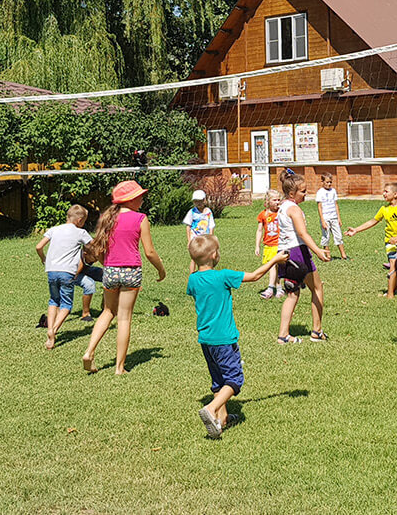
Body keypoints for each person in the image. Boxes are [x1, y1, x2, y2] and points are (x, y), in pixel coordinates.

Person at [187, 234, 288, 438]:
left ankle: (221, 420)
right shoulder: (223, 276)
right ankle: (212, 408)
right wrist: (275, 260)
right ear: (215, 255)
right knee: (234, 379)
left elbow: (196, 283)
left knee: (218, 380)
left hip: (206, 339)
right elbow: (255, 276)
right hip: (224, 339)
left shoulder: (193, 279)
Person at [82, 181, 167, 374]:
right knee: (124, 318)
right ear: (130, 200)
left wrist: (108, 265)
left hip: (110, 271)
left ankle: (89, 351)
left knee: (107, 312)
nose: (142, 198)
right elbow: (150, 252)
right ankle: (119, 367)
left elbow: (98, 249)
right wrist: (161, 270)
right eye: (140, 196)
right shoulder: (140, 218)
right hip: (131, 271)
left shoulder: (106, 217)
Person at [275, 169, 331, 344]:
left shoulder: (282, 206)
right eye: (303, 191)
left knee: (292, 294)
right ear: (292, 193)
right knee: (317, 288)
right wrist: (318, 251)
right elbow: (302, 233)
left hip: (283, 253)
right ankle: (317, 331)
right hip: (298, 252)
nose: (306, 194)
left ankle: (283, 335)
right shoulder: (294, 209)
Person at [35, 204, 92, 350]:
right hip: (67, 272)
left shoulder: (54, 229)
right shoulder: (81, 232)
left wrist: (44, 259)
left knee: (54, 300)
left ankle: (49, 329)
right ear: (79, 220)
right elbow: (93, 247)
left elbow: (38, 247)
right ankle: (53, 330)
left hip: (51, 271)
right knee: (66, 304)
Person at [346, 182, 397, 298]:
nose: (383, 194)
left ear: (395, 194)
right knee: (393, 265)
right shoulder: (384, 209)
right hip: (390, 243)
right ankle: (390, 294)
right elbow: (373, 221)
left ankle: (393, 289)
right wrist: (356, 230)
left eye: (386, 191)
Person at [254, 189, 282, 299]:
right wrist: (257, 245)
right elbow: (259, 230)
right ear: (268, 201)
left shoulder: (281, 212)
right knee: (274, 267)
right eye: (274, 200)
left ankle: (271, 288)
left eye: (279, 200)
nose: (277, 202)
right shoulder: (263, 215)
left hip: (279, 244)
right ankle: (279, 288)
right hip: (268, 245)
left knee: (273, 266)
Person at [315, 174, 347, 260]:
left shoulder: (333, 191)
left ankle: (343, 255)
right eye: (327, 182)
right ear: (322, 182)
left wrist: (339, 218)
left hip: (334, 217)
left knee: (338, 236)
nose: (329, 184)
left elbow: (336, 205)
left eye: (330, 182)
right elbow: (319, 207)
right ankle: (327, 255)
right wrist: (322, 220)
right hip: (325, 218)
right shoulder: (320, 192)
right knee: (326, 237)